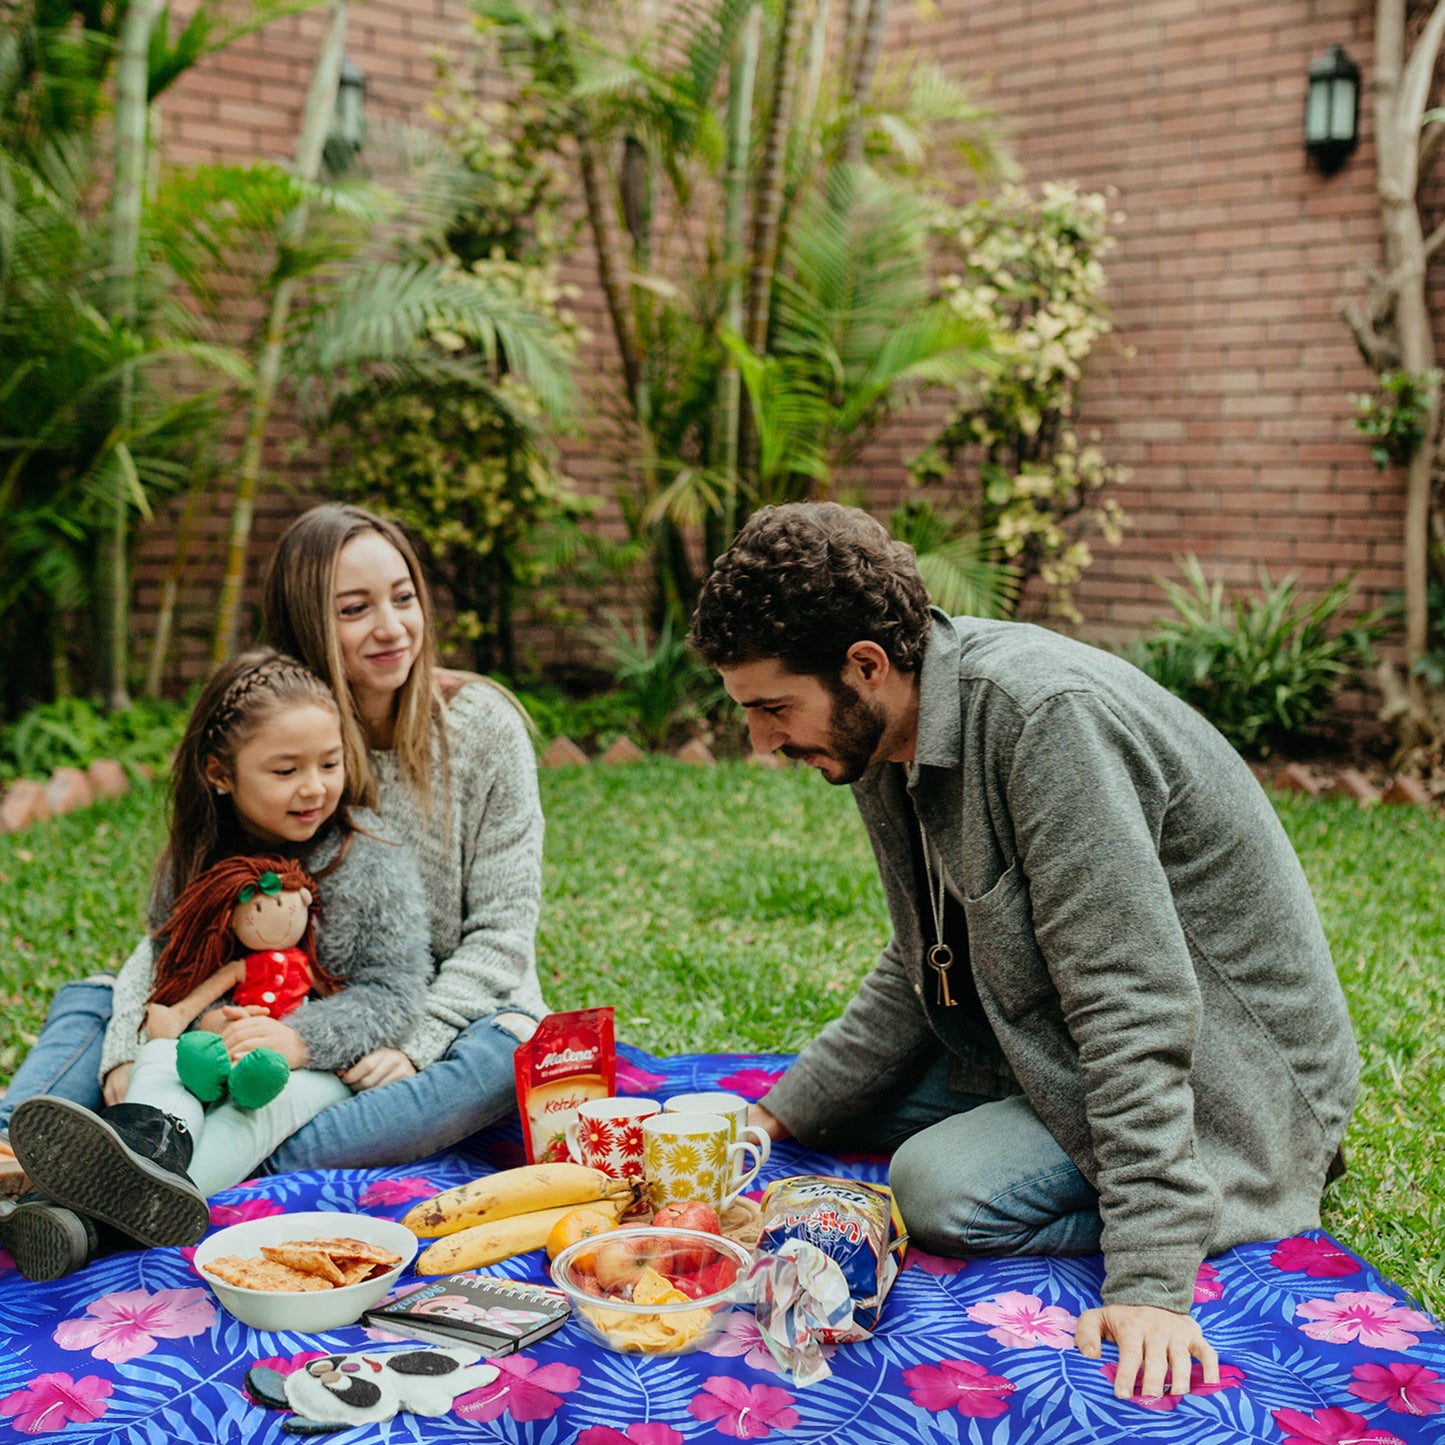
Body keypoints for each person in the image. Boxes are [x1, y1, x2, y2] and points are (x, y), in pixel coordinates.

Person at [689, 501, 1359, 1402]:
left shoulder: (1045, 723)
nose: (762, 741)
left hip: (1229, 1078)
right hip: (1043, 1036)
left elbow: (1133, 996)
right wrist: (776, 1117)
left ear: (864, 665)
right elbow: (915, 961)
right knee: (842, 1111)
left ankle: (1205, 1190)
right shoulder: (885, 730)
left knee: (935, 1187)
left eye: (772, 707)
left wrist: (1152, 1280)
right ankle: (1048, 1138)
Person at [0, 502, 545, 1184]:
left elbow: (503, 930)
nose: (391, 626)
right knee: (99, 996)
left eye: (403, 597)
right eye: (353, 609)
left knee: (504, 1059)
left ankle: (166, 1165)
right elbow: (185, 914)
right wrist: (125, 1049)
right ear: (307, 623)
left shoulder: (482, 728)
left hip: (443, 1015)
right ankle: (17, 1146)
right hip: (285, 1005)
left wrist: (415, 1044)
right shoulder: (279, 732)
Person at [1, 649, 432, 1279]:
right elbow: (158, 962)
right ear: (220, 773)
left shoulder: (369, 857)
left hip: (300, 1058)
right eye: (285, 770)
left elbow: (395, 992)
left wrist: (299, 1039)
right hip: (200, 1041)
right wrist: (133, 1046)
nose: (314, 786)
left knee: (257, 1114)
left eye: (330, 763)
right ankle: (137, 1156)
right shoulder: (197, 853)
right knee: (161, 1066)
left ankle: (74, 1214)